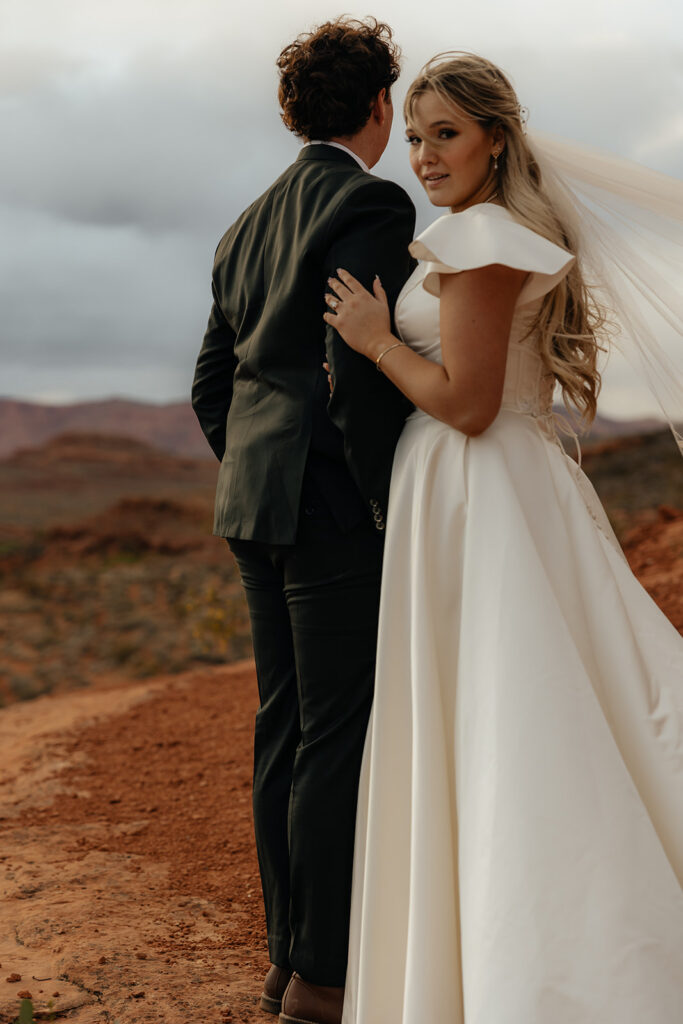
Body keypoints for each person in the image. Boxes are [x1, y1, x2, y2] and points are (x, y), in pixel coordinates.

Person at [324, 52, 683, 1024]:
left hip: (476, 490)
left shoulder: (480, 239)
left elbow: (468, 404)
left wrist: (373, 339)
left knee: (507, 713)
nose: (425, 154)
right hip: (482, 493)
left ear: (493, 136)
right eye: (413, 136)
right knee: (520, 703)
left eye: (445, 133)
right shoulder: (474, 231)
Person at [191, 17, 416, 1024]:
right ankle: (323, 978)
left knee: (280, 726)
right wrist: (380, 492)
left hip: (252, 503)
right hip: (328, 503)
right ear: (377, 106)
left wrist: (252, 467)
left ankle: (285, 959)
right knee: (336, 732)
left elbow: (212, 382)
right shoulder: (369, 200)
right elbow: (353, 371)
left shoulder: (244, 223)